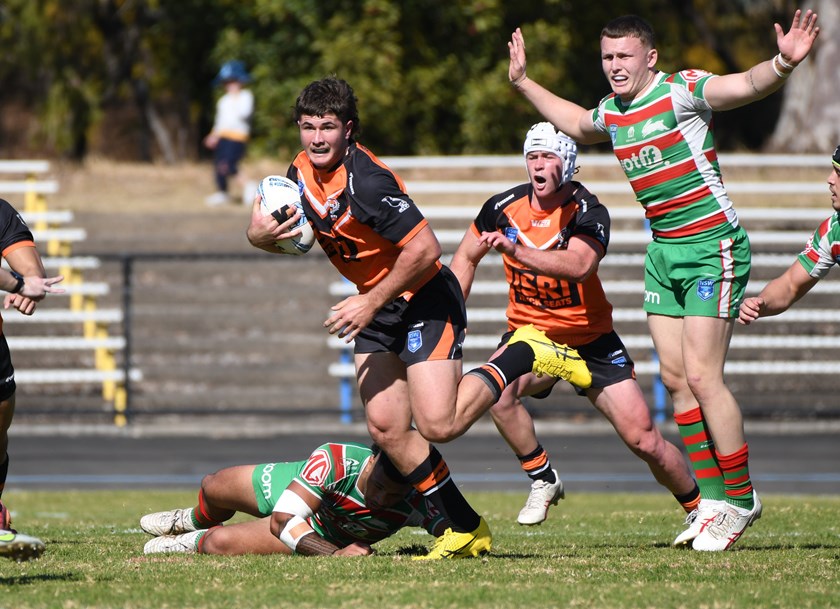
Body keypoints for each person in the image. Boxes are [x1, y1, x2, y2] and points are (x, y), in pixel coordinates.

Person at [507, 10, 820, 551]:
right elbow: (579, 123)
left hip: (711, 247)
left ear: (650, 57)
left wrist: (783, 63)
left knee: (702, 376)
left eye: (624, 56)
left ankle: (741, 501)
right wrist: (523, 82)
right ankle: (714, 502)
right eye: (607, 57)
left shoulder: (681, 91)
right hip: (665, 253)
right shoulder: (613, 112)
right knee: (675, 381)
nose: (614, 66)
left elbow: (743, 85)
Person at [246, 76, 591, 559]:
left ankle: (525, 351)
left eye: (327, 127)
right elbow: (269, 226)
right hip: (379, 305)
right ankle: (464, 526)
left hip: (425, 297)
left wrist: (368, 301)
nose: (317, 138)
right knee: (386, 429)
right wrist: (257, 237)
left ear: (349, 130)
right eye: (307, 127)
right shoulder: (299, 172)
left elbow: (427, 251)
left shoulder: (368, 182)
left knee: (438, 423)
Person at [449, 122, 699, 529]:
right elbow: (464, 258)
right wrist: (452, 315)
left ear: (567, 163)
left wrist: (517, 250)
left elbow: (581, 265)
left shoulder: (588, 210)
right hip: (531, 336)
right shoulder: (501, 208)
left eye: (548, 157)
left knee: (644, 440)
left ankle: (698, 508)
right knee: (496, 394)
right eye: (532, 157)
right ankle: (542, 477)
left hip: (589, 339)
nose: (538, 166)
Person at [141, 442, 446, 556]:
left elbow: (453, 529)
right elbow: (283, 520)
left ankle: (187, 542)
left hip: (321, 529)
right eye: (379, 486)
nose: (381, 498)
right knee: (214, 485)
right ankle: (191, 519)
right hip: (299, 486)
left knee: (215, 544)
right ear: (371, 460)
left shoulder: (417, 498)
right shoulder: (335, 462)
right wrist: (335, 556)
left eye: (393, 495)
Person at [0, 197, 65, 562]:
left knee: (0, 421)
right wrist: (18, 284)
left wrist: (30, 280)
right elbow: (19, 280)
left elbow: (26, 261)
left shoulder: (0, 211)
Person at [739, 145, 840, 325]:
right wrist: (761, 304)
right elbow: (790, 285)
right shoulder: (833, 233)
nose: (830, 179)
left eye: (838, 173)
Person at [203, 60, 255, 207]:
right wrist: (213, 135)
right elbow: (220, 122)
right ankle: (222, 192)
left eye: (233, 81)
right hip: (223, 137)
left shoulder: (245, 96)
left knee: (230, 165)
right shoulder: (222, 101)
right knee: (219, 165)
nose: (230, 85)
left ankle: (249, 187)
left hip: (237, 137)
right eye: (227, 82)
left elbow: (244, 114)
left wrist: (235, 98)